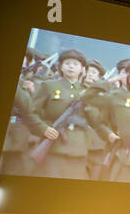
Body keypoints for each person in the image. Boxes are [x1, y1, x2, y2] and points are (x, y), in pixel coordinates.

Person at [27, 49, 90, 179]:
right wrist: (43, 129)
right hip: (54, 146)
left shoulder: (87, 92)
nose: (71, 66)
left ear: (82, 69)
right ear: (61, 66)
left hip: (79, 149)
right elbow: (31, 112)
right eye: (67, 63)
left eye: (75, 64)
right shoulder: (49, 86)